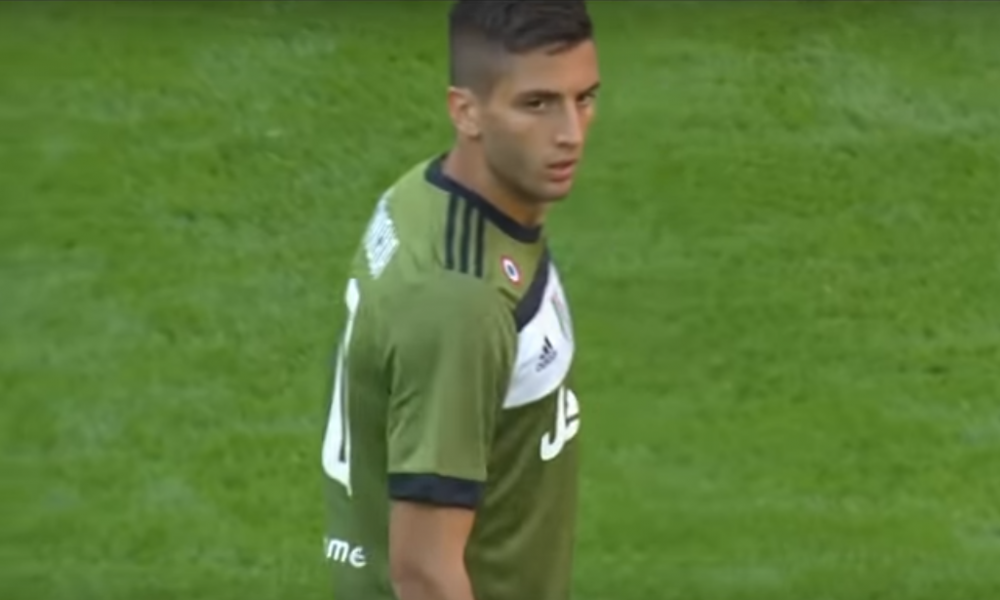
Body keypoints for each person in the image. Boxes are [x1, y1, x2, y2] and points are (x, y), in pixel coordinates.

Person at [320, 1, 600, 598]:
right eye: (537, 104)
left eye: (584, 99)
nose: (571, 134)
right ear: (465, 111)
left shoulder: (427, 194)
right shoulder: (461, 303)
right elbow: (424, 573)